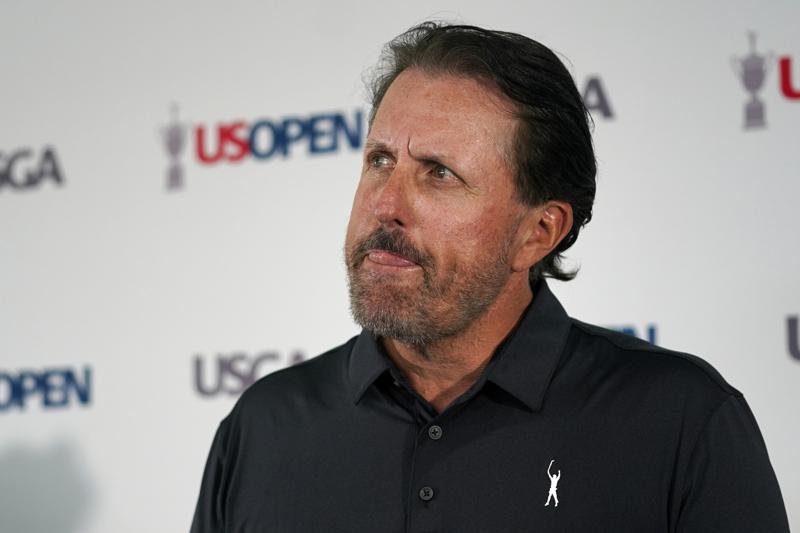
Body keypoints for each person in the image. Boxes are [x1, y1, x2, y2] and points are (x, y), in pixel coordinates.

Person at [190, 22, 790, 532]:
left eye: (440, 173)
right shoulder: (262, 429)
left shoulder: (681, 423)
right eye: (379, 161)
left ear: (540, 232)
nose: (386, 204)